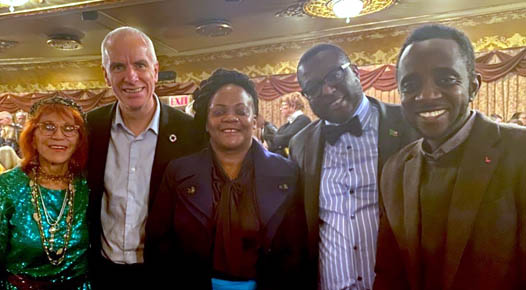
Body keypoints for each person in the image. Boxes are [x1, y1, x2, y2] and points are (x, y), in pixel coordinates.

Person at [374, 24, 526, 290]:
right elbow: (389, 272)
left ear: (474, 87)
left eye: (446, 80)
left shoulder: (519, 150)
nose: (427, 95)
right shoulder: (395, 168)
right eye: (411, 85)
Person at [146, 68, 310, 289]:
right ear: (206, 121)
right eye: (219, 112)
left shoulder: (287, 173)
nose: (230, 118)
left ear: (254, 120)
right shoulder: (178, 172)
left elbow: (297, 253)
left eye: (241, 111)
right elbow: (160, 247)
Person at [289, 43, 417, 289]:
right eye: (314, 87)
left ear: (355, 72)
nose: (327, 90)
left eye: (335, 75)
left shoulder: (408, 125)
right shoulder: (300, 144)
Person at [86, 26, 199, 288]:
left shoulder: (190, 133)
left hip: (165, 275)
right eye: (118, 67)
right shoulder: (90, 128)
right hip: (102, 273)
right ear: (106, 75)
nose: (131, 77)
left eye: (140, 64)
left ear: (155, 71)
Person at [0, 96, 91, 289]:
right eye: (48, 126)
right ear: (32, 136)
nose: (58, 135)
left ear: (79, 139)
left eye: (69, 128)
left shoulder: (88, 184)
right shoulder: (8, 184)